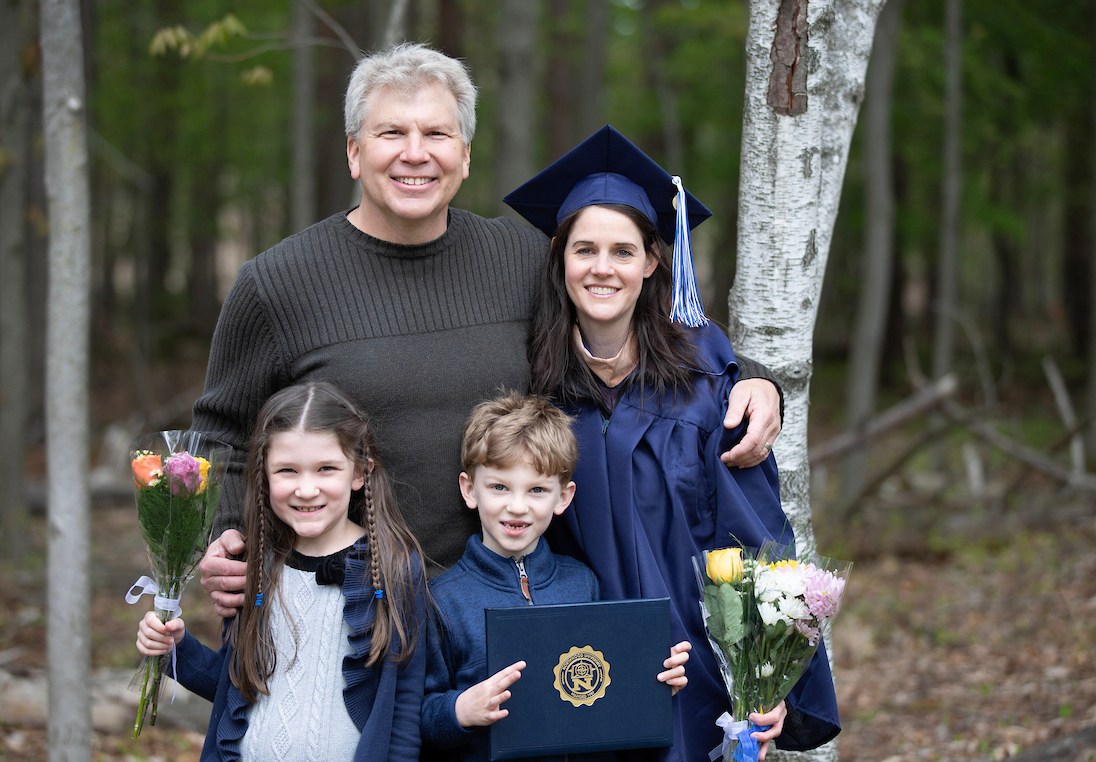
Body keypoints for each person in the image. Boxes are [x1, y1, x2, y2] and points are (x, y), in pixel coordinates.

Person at [194, 42, 785, 614]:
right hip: (346, 611)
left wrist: (750, 380)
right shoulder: (277, 283)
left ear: (466, 153)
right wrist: (221, 536)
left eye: (438, 134)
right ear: (353, 151)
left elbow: (628, 334)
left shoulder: (519, 260)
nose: (415, 153)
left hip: (508, 612)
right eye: (391, 133)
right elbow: (220, 435)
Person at [504, 126, 840, 762]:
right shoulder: (534, 387)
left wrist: (768, 678)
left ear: (655, 262)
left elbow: (757, 534)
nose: (603, 268)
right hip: (579, 663)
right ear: (559, 259)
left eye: (623, 251)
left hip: (697, 671)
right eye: (585, 249)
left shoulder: (705, 384)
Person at [135, 383, 427, 762]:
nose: (306, 489)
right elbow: (235, 684)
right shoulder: (254, 565)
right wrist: (174, 648)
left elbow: (401, 721)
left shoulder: (394, 570)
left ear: (360, 472)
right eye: (288, 470)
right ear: (264, 475)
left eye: (326, 469)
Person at [421, 392, 692, 762]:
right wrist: (460, 710)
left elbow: (604, 688)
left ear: (563, 497)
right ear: (469, 489)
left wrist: (653, 683)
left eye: (536, 491)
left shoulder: (582, 583)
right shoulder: (444, 600)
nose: (516, 507)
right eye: (499, 487)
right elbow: (421, 716)